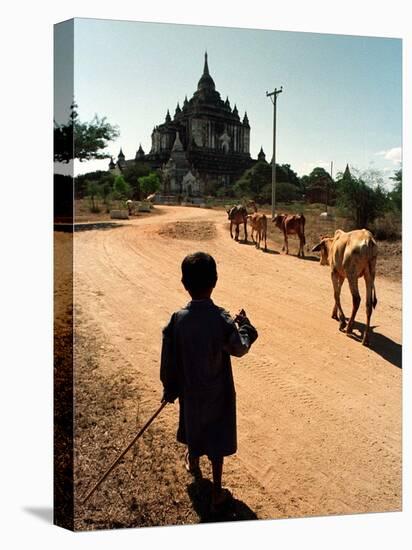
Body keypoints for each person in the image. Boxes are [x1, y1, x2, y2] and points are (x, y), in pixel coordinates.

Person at [160, 251, 258, 510]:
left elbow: (168, 359)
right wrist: (246, 328)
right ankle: (216, 490)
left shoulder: (177, 320)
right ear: (215, 280)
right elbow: (239, 348)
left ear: (184, 283)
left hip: (191, 392)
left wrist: (170, 387)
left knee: (193, 425)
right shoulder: (222, 319)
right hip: (218, 394)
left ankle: (193, 462)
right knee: (216, 437)